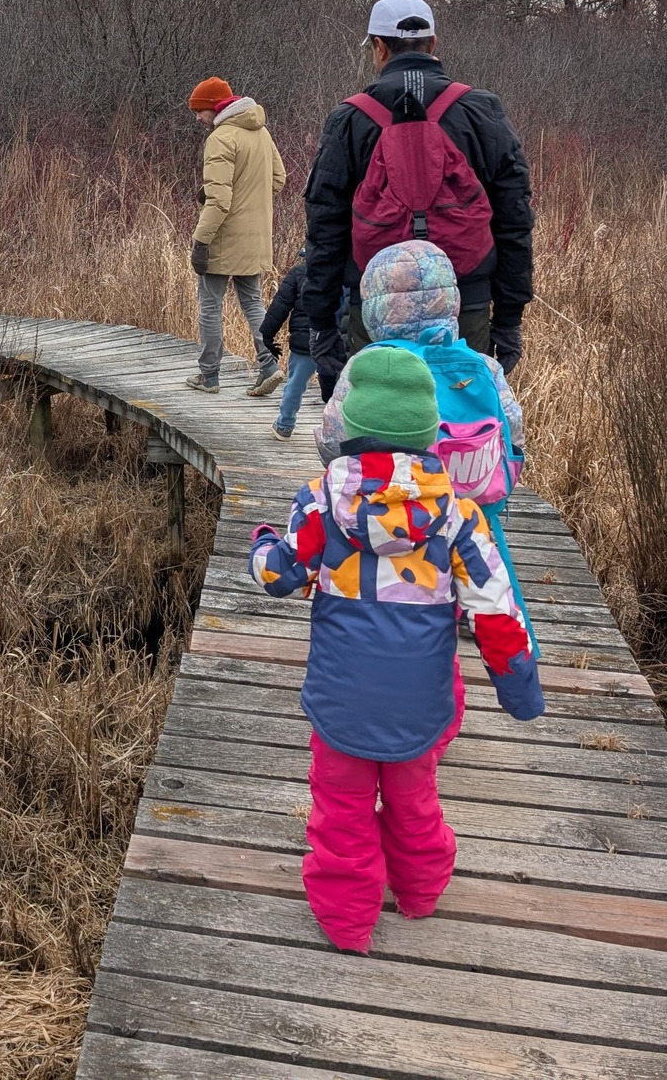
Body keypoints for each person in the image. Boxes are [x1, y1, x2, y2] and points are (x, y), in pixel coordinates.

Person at [247, 345, 544, 954]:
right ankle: (420, 890)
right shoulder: (461, 516)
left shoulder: (319, 502)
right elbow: (495, 606)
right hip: (422, 704)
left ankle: (348, 922)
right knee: (415, 800)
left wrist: (262, 545)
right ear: (428, 430)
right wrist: (520, 691)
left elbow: (280, 577)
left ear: (350, 427)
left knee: (341, 814)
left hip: (340, 703)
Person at [298, 0, 533, 400]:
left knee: (379, 432)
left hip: (375, 308)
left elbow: (325, 226)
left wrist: (319, 322)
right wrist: (509, 318)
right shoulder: (481, 111)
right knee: (458, 428)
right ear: (433, 44)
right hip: (466, 302)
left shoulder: (350, 119)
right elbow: (514, 219)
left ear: (379, 46)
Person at [317, 239, 540, 653]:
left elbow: (333, 440)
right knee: (473, 540)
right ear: (451, 299)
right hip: (472, 503)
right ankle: (476, 601)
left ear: (375, 306)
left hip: (390, 510)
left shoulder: (370, 366)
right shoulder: (482, 365)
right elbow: (514, 431)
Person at [185, 77, 286, 394]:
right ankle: (269, 366)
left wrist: (200, 241)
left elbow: (219, 201)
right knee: (253, 303)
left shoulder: (220, 138)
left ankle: (209, 375)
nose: (198, 119)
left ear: (214, 108)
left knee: (211, 306)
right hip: (255, 236)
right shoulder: (260, 131)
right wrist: (250, 201)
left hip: (223, 236)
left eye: (200, 111)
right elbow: (278, 179)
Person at [259, 250, 315, 439]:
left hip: (304, 340)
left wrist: (267, 334)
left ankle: (284, 424)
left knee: (296, 384)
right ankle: (340, 430)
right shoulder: (344, 273)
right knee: (339, 387)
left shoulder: (299, 274)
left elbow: (280, 306)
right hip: (335, 341)